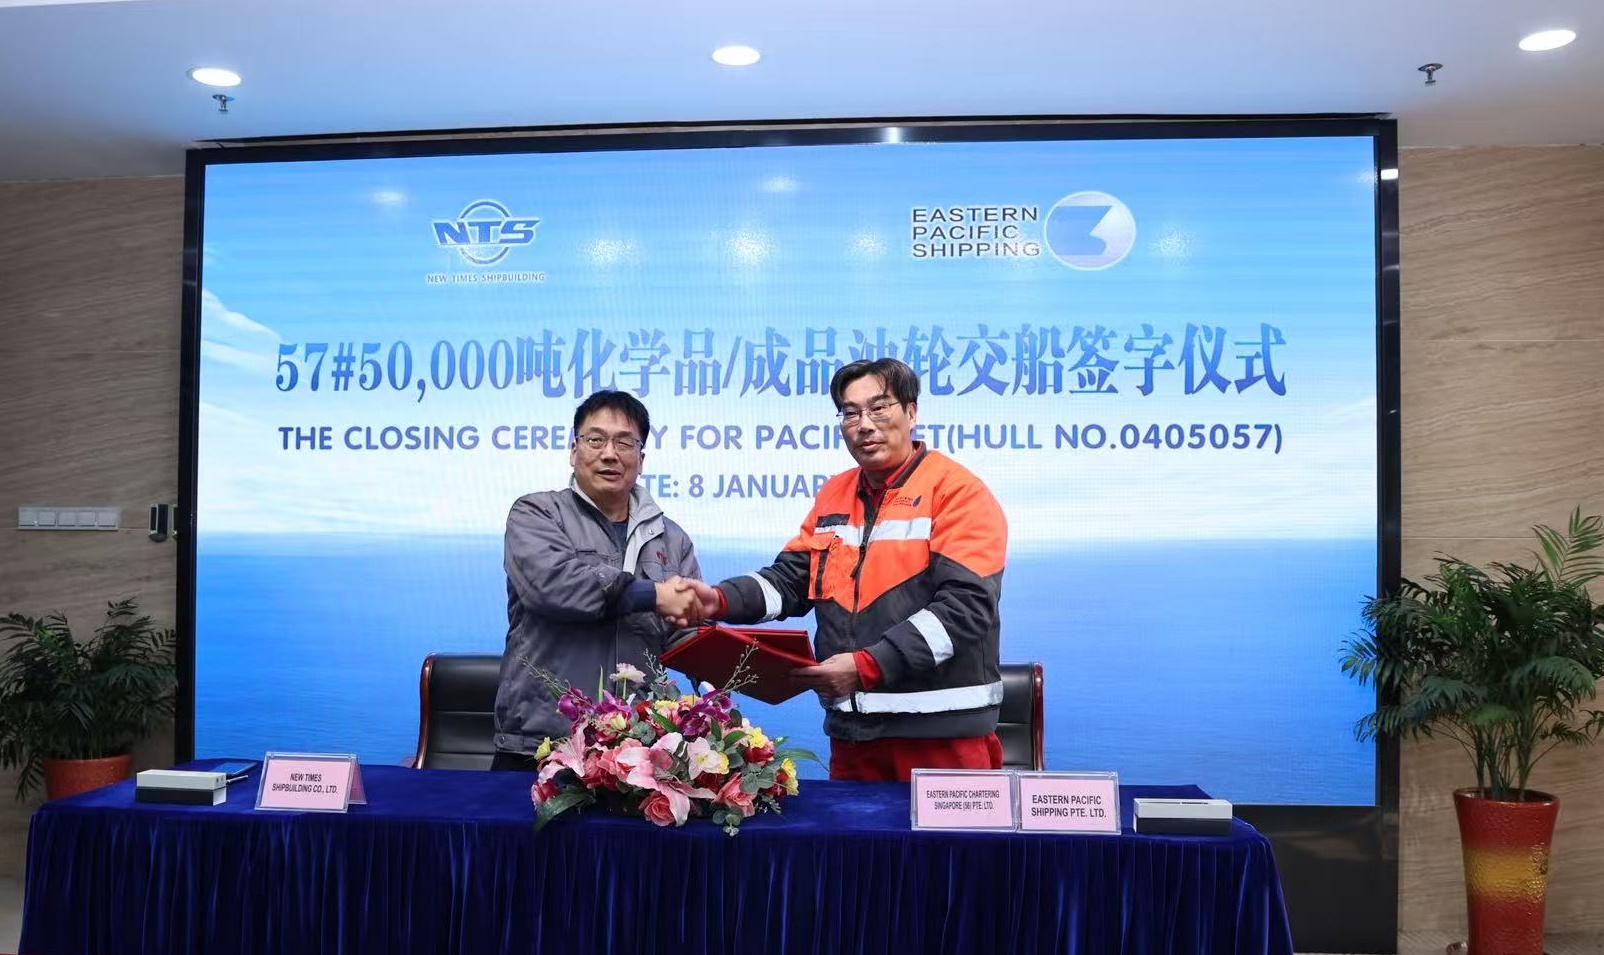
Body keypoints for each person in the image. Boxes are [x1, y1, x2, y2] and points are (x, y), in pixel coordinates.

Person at [684, 358, 1008, 781]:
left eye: (879, 408)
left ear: (911, 412)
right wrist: (720, 599)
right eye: (850, 413)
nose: (864, 425)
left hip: (942, 738)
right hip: (854, 737)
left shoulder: (958, 492)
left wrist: (866, 667)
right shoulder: (836, 492)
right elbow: (792, 580)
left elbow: (966, 609)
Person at [492, 390, 704, 771]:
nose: (609, 454)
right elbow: (554, 585)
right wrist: (655, 595)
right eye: (595, 440)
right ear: (573, 450)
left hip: (638, 752)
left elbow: (686, 634)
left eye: (624, 443)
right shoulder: (536, 514)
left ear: (641, 459)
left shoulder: (672, 540)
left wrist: (756, 662)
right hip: (542, 745)